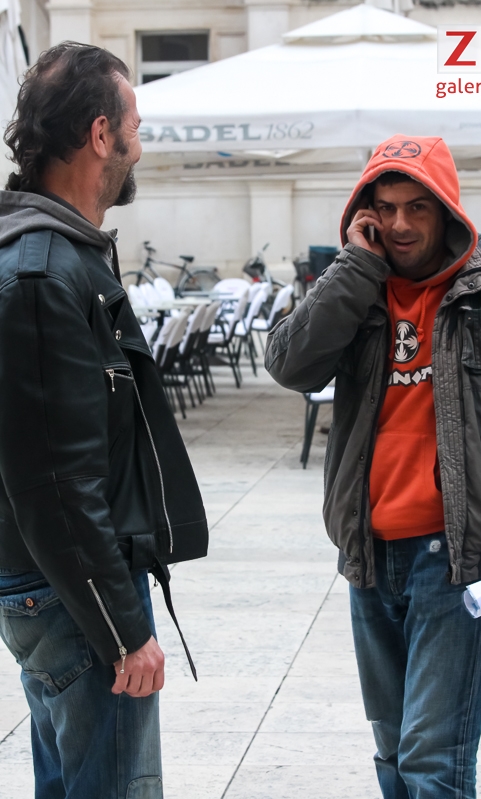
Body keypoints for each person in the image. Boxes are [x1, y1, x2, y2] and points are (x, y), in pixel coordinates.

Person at [266, 133, 481, 798]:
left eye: (417, 207)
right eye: (385, 208)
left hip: (456, 554)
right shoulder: (358, 282)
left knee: (431, 761)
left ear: (447, 209)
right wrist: (354, 267)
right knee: (391, 751)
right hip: (368, 551)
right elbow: (290, 365)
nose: (401, 224)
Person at [0, 43, 208, 799]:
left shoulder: (60, 255)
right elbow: (54, 482)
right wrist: (124, 629)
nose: (139, 145)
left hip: (61, 582)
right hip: (70, 590)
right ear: (100, 135)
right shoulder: (41, 273)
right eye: (135, 126)